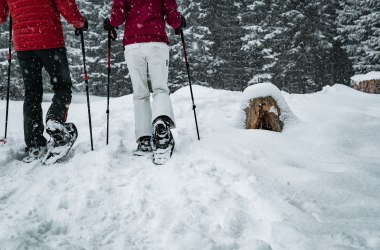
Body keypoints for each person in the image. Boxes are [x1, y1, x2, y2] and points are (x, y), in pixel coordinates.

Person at [0, 0, 88, 163]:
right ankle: (55, 121)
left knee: (32, 92)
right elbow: (65, 4)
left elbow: (1, 16)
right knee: (63, 87)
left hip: (24, 45)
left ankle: (34, 144)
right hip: (50, 40)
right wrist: (79, 22)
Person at [104, 0, 186, 164]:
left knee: (140, 93)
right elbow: (170, 11)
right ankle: (161, 130)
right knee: (160, 89)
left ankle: (144, 140)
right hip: (156, 42)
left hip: (133, 45)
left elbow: (118, 14)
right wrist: (178, 23)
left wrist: (111, 23)